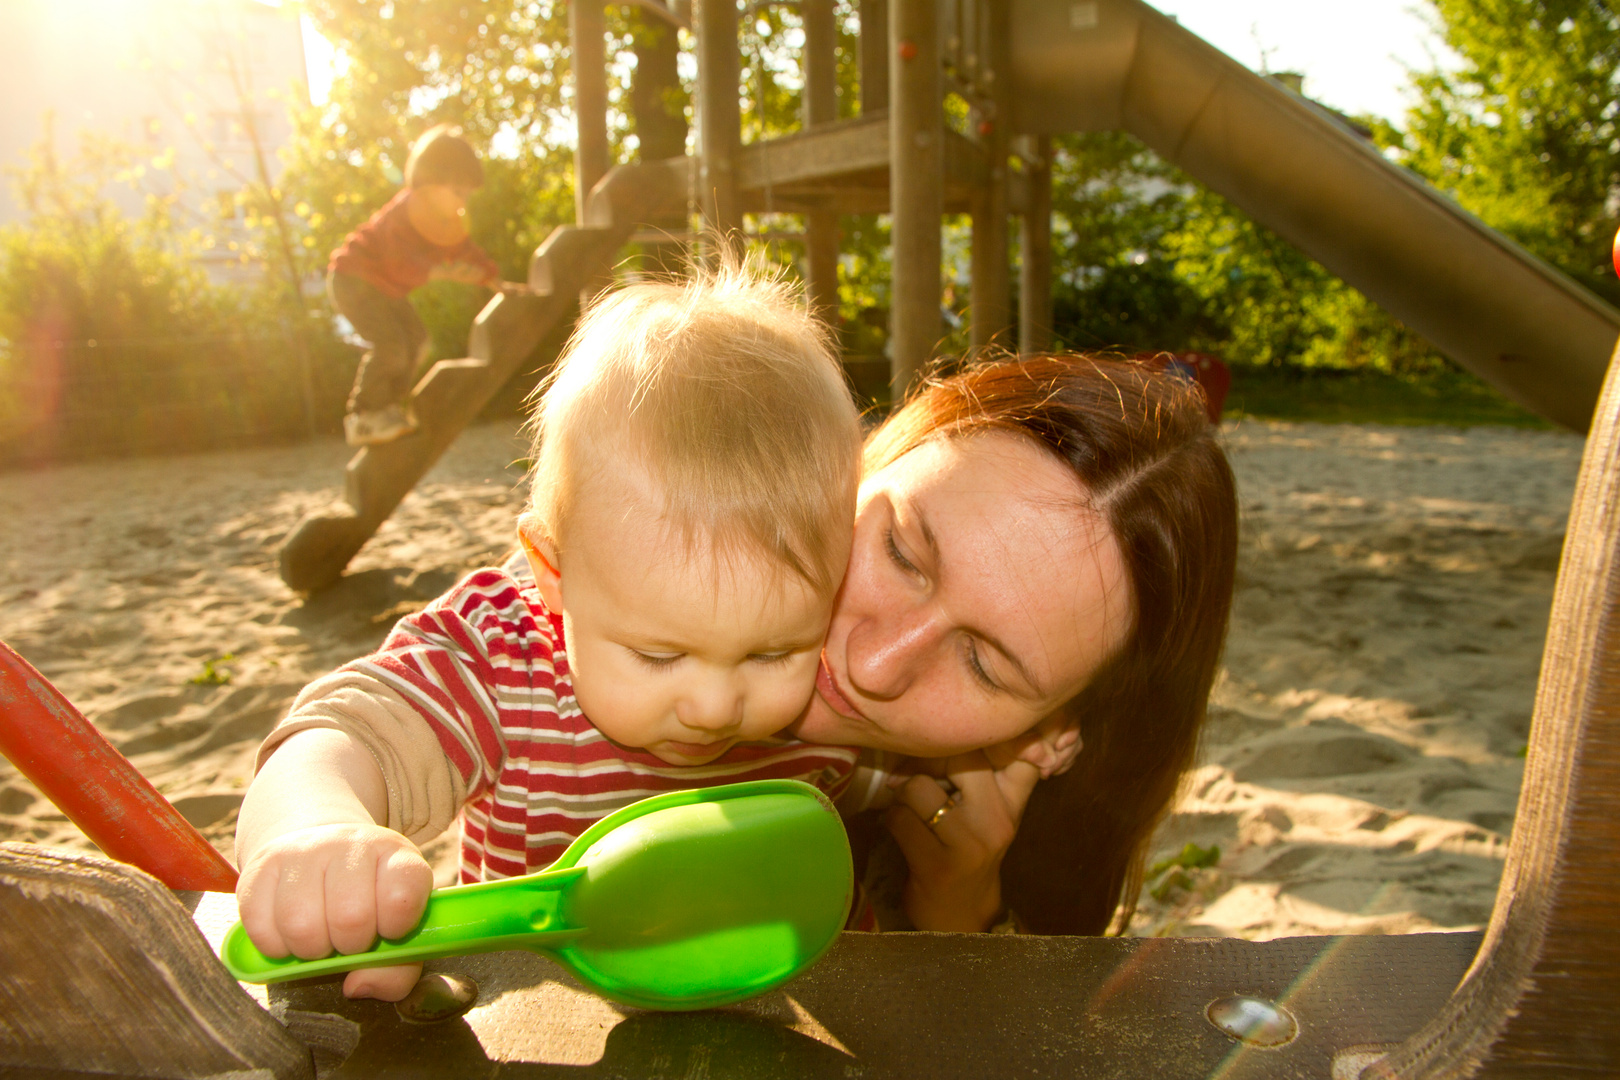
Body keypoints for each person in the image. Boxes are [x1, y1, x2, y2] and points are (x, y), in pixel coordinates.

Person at [235, 266, 864, 999]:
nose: (716, 706)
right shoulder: (502, 658)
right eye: (658, 655)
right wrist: (315, 831)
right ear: (552, 573)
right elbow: (342, 733)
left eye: (771, 653)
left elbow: (909, 785)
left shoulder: (835, 671)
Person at [802, 353, 1238, 935]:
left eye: (983, 667)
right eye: (901, 553)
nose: (874, 666)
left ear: (1051, 733)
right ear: (871, 458)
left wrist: (959, 917)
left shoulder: (1008, 858)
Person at [328, 124, 524, 447]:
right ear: (430, 184)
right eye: (457, 193)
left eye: (467, 196)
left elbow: (468, 252)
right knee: (390, 344)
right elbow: (397, 262)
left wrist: (496, 282)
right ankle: (364, 415)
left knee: (417, 341)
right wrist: (438, 272)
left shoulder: (448, 221)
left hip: (385, 289)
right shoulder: (405, 212)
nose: (462, 204)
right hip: (353, 279)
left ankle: (390, 408)